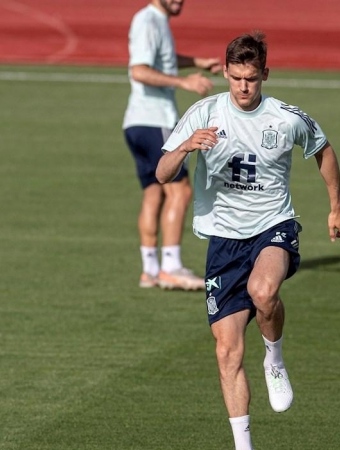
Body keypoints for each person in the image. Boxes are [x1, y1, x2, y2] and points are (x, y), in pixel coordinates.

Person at [156, 31, 340, 450]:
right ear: (225, 72)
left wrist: (337, 206)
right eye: (237, 78)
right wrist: (187, 147)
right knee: (227, 353)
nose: (244, 87)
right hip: (223, 241)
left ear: (265, 73)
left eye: (252, 78)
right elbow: (161, 173)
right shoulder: (203, 113)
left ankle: (275, 358)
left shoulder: (285, 117)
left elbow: (324, 149)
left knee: (263, 292)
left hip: (272, 226)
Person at [123, 0, 222, 291]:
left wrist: (197, 62)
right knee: (180, 190)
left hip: (137, 122)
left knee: (155, 193)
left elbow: (160, 61)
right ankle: (171, 266)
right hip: (155, 120)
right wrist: (184, 83)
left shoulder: (155, 21)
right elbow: (139, 70)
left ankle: (150, 269)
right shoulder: (148, 21)